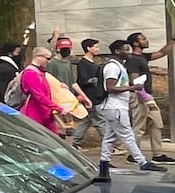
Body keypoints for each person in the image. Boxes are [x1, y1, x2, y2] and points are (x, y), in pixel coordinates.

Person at [96, 40, 163, 181]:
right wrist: (132, 88)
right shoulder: (113, 67)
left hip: (115, 107)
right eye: (126, 49)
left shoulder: (119, 66)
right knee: (127, 135)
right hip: (115, 107)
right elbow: (110, 88)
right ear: (117, 51)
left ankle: (103, 164)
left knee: (109, 138)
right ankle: (143, 163)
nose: (129, 51)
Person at [125, 31, 173, 165]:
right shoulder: (132, 59)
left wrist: (173, 39)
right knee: (139, 126)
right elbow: (135, 82)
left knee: (156, 123)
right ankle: (133, 155)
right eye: (143, 39)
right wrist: (145, 97)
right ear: (135, 43)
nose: (146, 40)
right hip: (140, 95)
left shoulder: (143, 57)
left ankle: (157, 154)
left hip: (147, 95)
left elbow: (162, 52)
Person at [21, 47, 65, 134]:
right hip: (35, 115)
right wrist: (58, 108)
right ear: (38, 57)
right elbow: (39, 96)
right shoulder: (31, 73)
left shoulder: (39, 72)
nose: (49, 61)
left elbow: (46, 90)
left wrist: (60, 86)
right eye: (47, 58)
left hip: (45, 114)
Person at [72, 38, 107, 148]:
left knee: (87, 120)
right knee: (100, 121)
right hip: (91, 97)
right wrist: (92, 81)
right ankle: (108, 145)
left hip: (96, 95)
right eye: (95, 47)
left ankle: (75, 141)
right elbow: (82, 81)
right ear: (88, 48)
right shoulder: (83, 63)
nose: (98, 49)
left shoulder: (92, 62)